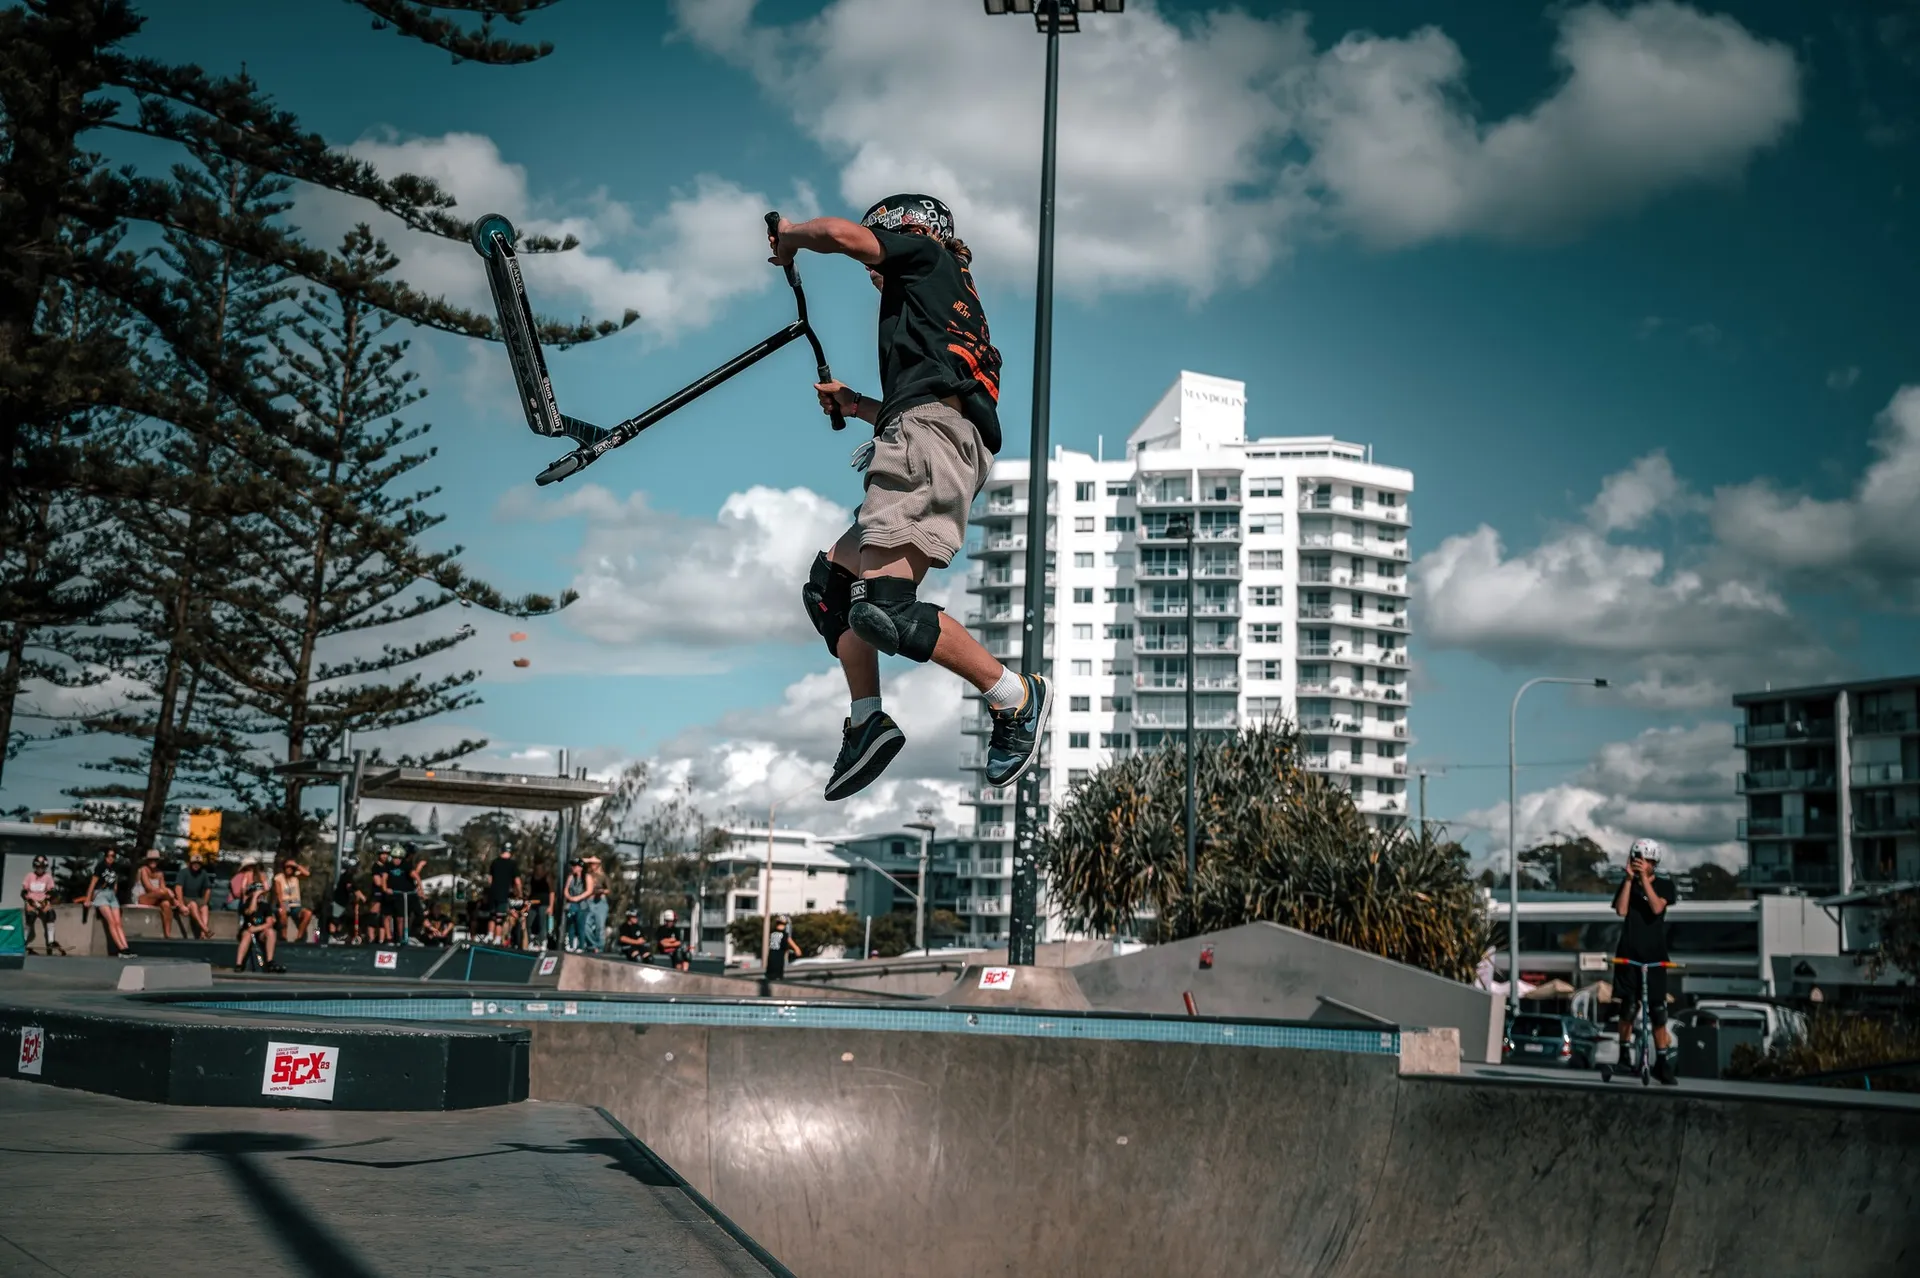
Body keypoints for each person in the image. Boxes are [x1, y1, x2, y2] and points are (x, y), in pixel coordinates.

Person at [768, 197, 1049, 803]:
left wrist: (790, 236)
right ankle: (867, 718)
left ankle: (1015, 697)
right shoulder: (934, 304)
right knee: (832, 592)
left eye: (880, 244)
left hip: (928, 443)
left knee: (887, 609)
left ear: (905, 233)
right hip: (920, 435)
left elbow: (841, 237)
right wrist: (860, 406)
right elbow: (936, 395)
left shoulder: (926, 258)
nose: (875, 265)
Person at [1612, 836, 1678, 1085]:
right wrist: (1630, 880)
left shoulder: (1664, 886)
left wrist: (1644, 882)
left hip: (1654, 957)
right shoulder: (1627, 883)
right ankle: (1624, 1054)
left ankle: (1661, 1060)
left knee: (1658, 1009)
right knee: (1628, 1006)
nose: (1640, 864)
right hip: (1629, 956)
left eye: (1645, 861)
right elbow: (1621, 910)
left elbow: (1657, 907)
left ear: (1654, 863)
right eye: (1637, 859)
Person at [84, 847, 133, 957]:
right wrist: (88, 899)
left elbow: (115, 881)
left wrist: (115, 890)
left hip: (111, 894)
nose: (111, 858)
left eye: (113, 856)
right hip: (101, 894)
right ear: (105, 857)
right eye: (109, 856)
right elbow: (93, 883)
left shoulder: (116, 867)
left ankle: (126, 947)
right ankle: (121, 948)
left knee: (118, 923)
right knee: (111, 921)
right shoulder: (100, 867)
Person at [233, 875, 286, 973]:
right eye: (257, 893)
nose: (260, 895)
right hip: (247, 931)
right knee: (247, 935)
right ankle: (239, 964)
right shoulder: (245, 905)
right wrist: (255, 897)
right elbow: (250, 912)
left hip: (260, 931)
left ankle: (270, 961)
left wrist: (256, 929)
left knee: (271, 932)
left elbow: (269, 923)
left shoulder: (265, 906)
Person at [134, 850, 184, 940]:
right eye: (151, 860)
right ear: (147, 860)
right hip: (142, 897)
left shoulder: (160, 873)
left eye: (155, 860)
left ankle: (167, 934)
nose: (153, 862)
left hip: (156, 898)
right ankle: (178, 904)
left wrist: (167, 892)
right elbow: (149, 888)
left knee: (166, 904)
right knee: (165, 893)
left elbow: (163, 887)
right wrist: (171, 895)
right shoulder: (143, 870)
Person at [20, 855, 63, 955]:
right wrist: (28, 903)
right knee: (30, 917)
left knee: (50, 914)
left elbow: (52, 891)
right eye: (38, 867)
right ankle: (24, 941)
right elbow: (24, 892)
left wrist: (47, 902)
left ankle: (50, 942)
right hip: (32, 901)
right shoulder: (29, 876)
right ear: (34, 867)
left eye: (42, 867)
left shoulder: (47, 877)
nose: (40, 869)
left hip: (43, 901)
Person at [486, 845, 520, 946]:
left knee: (492, 916)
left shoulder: (495, 862)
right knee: (500, 918)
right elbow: (517, 881)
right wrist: (519, 893)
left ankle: (490, 935)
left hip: (493, 892)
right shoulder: (512, 864)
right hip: (503, 894)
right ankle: (497, 938)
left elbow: (490, 879)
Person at [273, 858, 313, 945]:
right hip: (285, 902)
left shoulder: (296, 876)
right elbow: (278, 893)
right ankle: (283, 937)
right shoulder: (279, 877)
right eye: (287, 867)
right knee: (282, 913)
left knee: (308, 913)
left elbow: (307, 874)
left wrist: (296, 865)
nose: (289, 869)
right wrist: (282, 905)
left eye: (291, 867)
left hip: (295, 903)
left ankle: (299, 937)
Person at [175, 853, 214, 940]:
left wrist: (205, 900)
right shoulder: (183, 872)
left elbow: (208, 888)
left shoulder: (203, 873)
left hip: (197, 898)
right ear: (190, 863)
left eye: (198, 863)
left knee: (205, 907)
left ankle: (203, 934)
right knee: (193, 905)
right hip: (186, 897)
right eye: (194, 863)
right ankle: (205, 929)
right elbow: (178, 888)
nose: (196, 865)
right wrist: (181, 905)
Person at [562, 861, 590, 952]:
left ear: (580, 867)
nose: (573, 867)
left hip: (582, 905)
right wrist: (569, 897)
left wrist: (578, 898)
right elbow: (566, 889)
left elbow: (589, 890)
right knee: (571, 925)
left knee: (580, 925)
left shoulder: (587, 877)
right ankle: (570, 944)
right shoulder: (571, 877)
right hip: (572, 903)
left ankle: (581, 946)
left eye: (575, 866)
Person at [525, 862, 554, 950]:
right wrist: (527, 902)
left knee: (542, 923)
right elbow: (530, 891)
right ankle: (530, 941)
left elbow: (552, 892)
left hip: (544, 903)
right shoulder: (532, 878)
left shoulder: (547, 877)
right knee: (528, 923)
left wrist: (551, 906)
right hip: (533, 902)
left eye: (540, 868)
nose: (538, 870)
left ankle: (543, 942)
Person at [583, 857, 609, 953]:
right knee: (586, 925)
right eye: (591, 864)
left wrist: (601, 891)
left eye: (594, 864)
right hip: (589, 901)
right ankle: (592, 944)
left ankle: (600, 947)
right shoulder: (587, 875)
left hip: (600, 901)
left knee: (600, 926)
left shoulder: (603, 876)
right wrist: (588, 860)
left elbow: (608, 889)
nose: (592, 865)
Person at [765, 914, 802, 981]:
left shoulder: (772, 933)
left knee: (770, 978)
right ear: (785, 924)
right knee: (778, 979)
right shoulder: (784, 935)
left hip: (770, 961)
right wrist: (797, 950)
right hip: (778, 962)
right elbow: (791, 944)